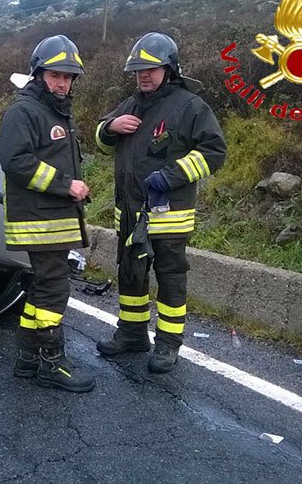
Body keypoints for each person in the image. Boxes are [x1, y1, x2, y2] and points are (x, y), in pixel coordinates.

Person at [94, 32, 227, 373]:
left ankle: (168, 344)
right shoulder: (130, 105)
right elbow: (102, 145)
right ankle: (132, 334)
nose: (144, 75)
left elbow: (214, 152)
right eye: (139, 70)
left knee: (170, 279)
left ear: (169, 69)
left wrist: (172, 175)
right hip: (130, 215)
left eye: (151, 69)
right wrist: (110, 127)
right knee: (131, 276)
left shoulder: (190, 106)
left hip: (169, 217)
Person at [0, 35, 95, 393]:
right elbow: (16, 161)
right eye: (55, 75)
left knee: (43, 288)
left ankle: (27, 357)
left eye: (68, 78)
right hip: (39, 219)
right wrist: (65, 185)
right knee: (54, 289)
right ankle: (52, 362)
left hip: (50, 217)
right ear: (39, 74)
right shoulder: (24, 110)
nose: (62, 83)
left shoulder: (53, 110)